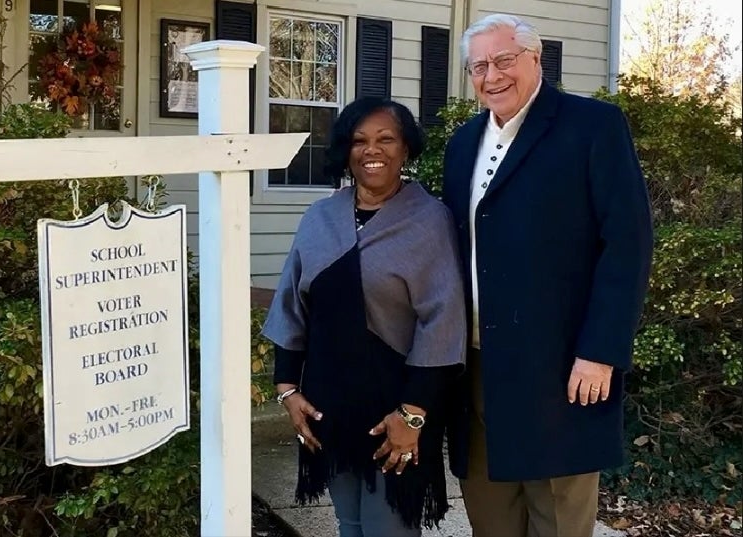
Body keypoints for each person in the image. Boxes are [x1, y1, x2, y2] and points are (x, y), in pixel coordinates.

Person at [441, 13, 654, 537]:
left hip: (561, 372)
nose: (492, 75)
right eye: (479, 66)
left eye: (505, 60)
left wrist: (601, 350)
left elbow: (626, 244)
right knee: (491, 521)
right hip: (475, 368)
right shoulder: (462, 144)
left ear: (536, 60)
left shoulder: (592, 127)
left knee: (557, 519)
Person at [263, 96, 466, 537]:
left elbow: (443, 322)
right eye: (359, 141)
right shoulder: (320, 217)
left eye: (386, 139)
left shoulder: (429, 220)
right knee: (349, 524)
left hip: (397, 409)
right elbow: (291, 304)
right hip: (328, 407)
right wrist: (287, 390)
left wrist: (412, 416)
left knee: (387, 529)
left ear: (406, 148)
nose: (371, 150)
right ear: (346, 150)